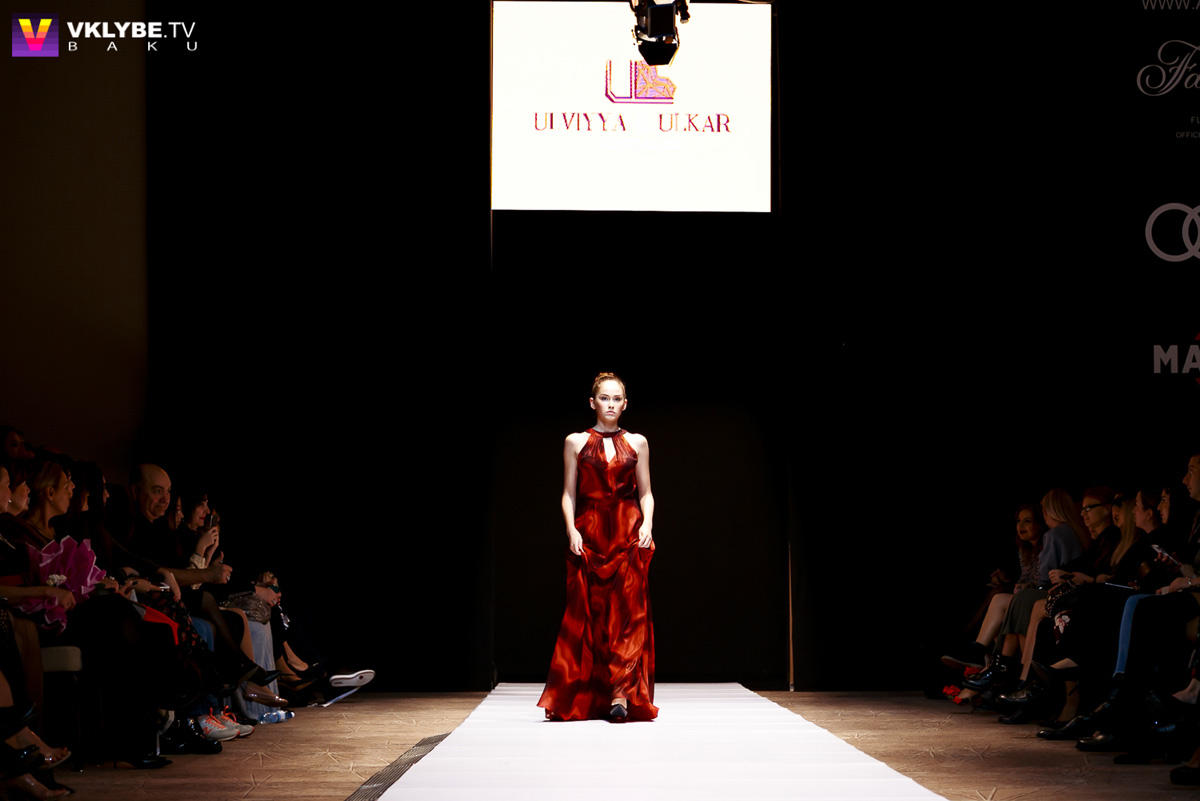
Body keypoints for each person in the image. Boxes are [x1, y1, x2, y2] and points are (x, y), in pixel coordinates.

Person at [537, 372, 657, 722]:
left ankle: (621, 694)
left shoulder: (638, 443)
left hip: (627, 532)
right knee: (589, 616)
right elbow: (568, 493)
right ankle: (588, 695)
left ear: (625, 403)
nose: (610, 404)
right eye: (604, 398)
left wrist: (647, 524)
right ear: (592, 402)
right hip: (589, 534)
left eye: (617, 399)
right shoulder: (575, 442)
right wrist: (571, 530)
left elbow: (646, 492)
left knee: (628, 614)